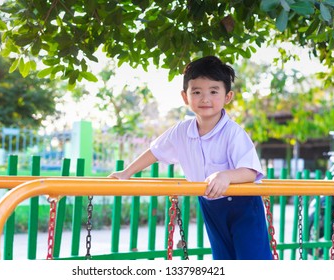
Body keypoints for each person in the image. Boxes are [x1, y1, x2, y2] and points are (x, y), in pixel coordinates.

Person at [108, 55, 273, 260]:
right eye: (197, 92)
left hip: (244, 207)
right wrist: (126, 173)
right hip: (211, 205)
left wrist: (226, 176)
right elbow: (155, 151)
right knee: (223, 259)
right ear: (185, 97)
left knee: (252, 261)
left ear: (227, 97)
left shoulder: (233, 133)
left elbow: (250, 171)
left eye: (213, 91)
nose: (205, 99)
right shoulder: (182, 131)